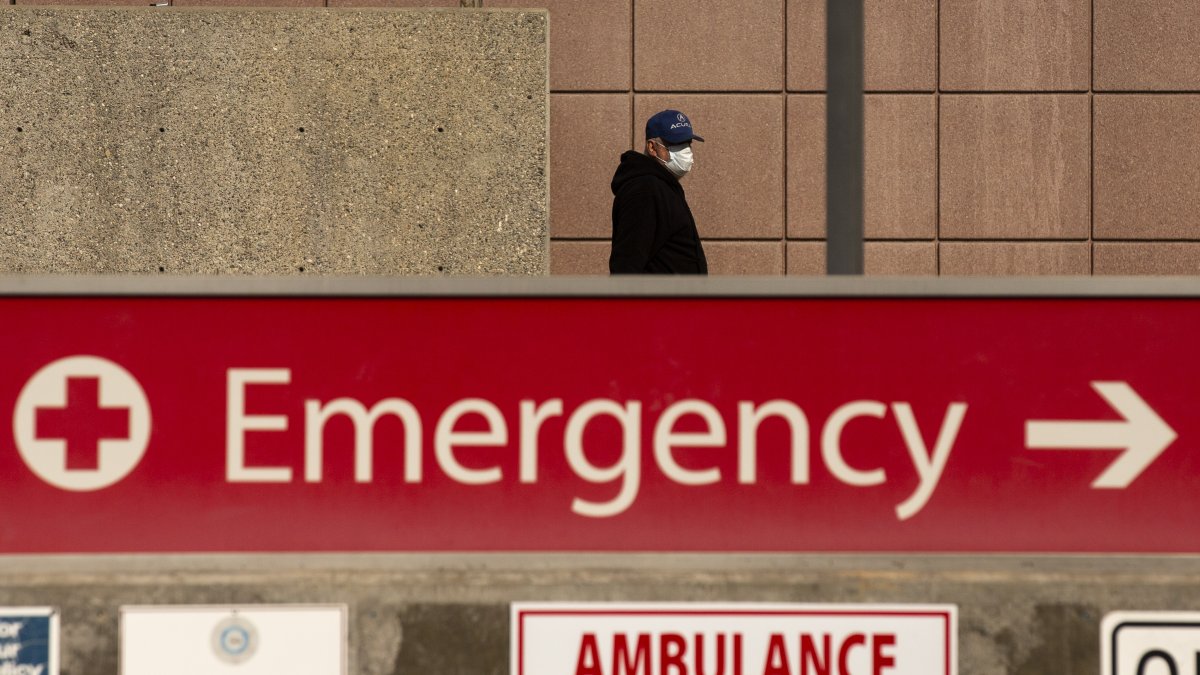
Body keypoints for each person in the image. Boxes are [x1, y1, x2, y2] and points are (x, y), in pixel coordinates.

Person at [609, 110, 708, 274]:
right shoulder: (644, 190)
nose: (686, 152)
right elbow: (626, 265)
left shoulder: (663, 186)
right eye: (676, 144)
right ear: (652, 147)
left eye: (687, 144)